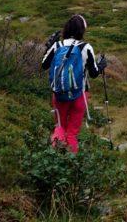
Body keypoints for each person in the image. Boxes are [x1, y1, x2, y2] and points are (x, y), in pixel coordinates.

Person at [41, 14, 107, 153]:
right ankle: (72, 162)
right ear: (82, 30)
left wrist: (48, 48)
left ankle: (53, 157)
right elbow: (94, 73)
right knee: (72, 133)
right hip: (80, 95)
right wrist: (102, 65)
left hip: (59, 94)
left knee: (60, 127)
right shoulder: (86, 47)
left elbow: (44, 65)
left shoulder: (57, 45)